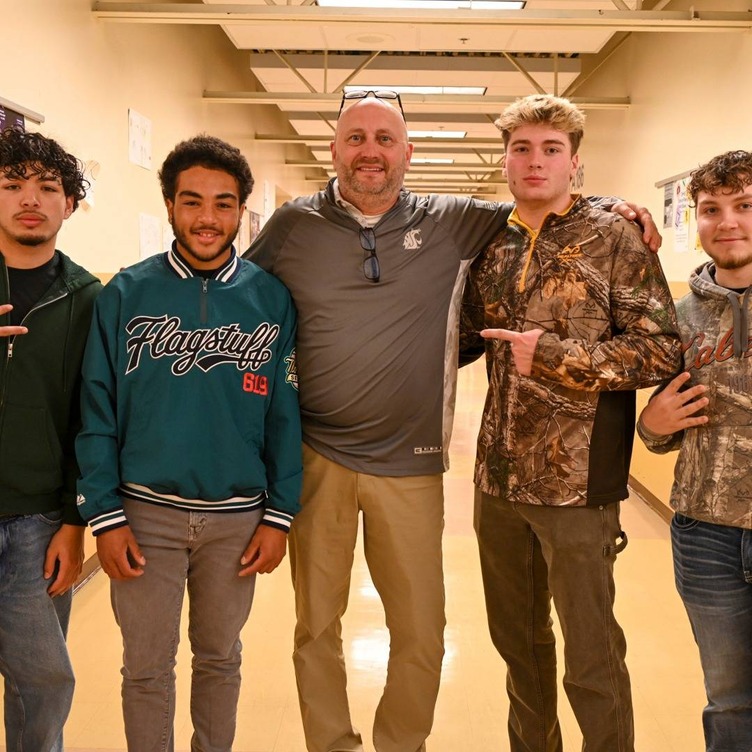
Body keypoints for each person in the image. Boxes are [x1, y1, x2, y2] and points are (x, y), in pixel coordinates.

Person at [244, 89, 661, 752]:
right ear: (335, 149)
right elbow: (235, 295)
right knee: (319, 624)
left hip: (435, 465)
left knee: (431, 631)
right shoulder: (296, 224)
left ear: (410, 152)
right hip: (327, 456)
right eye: (356, 138)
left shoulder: (457, 219)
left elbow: (552, 211)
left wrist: (617, 208)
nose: (370, 151)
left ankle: (401, 743)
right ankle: (331, 743)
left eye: (386, 138)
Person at [459, 94, 682, 752]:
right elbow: (467, 337)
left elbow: (662, 347)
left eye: (550, 150)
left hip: (577, 485)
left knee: (591, 657)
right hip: (496, 481)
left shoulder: (615, 236)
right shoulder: (489, 242)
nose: (535, 162)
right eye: (522, 149)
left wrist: (554, 357)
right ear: (504, 160)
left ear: (574, 163)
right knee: (519, 652)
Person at [75, 135, 302, 752]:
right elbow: (96, 410)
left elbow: (285, 415)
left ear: (240, 211)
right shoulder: (125, 293)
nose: (208, 218)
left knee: (220, 659)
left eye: (224, 204)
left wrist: (279, 516)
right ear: (170, 206)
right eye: (192, 201)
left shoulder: (270, 298)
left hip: (237, 518)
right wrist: (105, 516)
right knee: (146, 669)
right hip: (143, 514)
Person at [638, 149, 752, 752]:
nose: (727, 222)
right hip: (706, 536)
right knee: (729, 699)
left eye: (745, 206)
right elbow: (660, 435)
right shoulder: (677, 319)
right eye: (712, 209)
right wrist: (651, 423)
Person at [0, 126, 102, 751]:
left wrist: (73, 519)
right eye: (12, 186)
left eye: (48, 187)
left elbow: (89, 420)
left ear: (70, 204)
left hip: (38, 522)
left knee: (42, 680)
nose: (29, 199)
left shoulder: (90, 297)